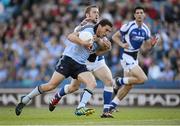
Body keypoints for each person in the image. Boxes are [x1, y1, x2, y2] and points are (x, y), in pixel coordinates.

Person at [15, 19, 113, 116]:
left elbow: (98, 52)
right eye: (106, 30)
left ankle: (80, 107)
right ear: (100, 26)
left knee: (92, 82)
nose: (107, 33)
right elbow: (70, 36)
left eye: (109, 31)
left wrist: (105, 47)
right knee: (51, 86)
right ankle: (26, 99)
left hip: (80, 64)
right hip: (68, 60)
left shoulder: (101, 39)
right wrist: (83, 43)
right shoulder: (88, 31)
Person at [49, 5, 114, 118]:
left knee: (109, 81)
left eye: (98, 12)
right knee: (73, 87)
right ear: (87, 15)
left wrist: (104, 45)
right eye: (94, 12)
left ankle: (106, 111)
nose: (97, 15)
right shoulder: (82, 27)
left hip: (97, 61)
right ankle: (57, 96)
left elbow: (103, 49)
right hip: (83, 62)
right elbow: (74, 38)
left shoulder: (102, 28)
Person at [109, 6, 160, 111]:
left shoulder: (146, 29)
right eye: (137, 13)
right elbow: (114, 36)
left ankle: (112, 106)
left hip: (135, 57)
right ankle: (118, 81)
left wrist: (152, 45)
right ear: (134, 15)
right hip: (127, 56)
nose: (140, 14)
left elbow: (145, 49)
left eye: (141, 12)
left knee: (129, 86)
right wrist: (122, 45)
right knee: (143, 79)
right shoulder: (128, 26)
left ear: (144, 15)